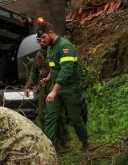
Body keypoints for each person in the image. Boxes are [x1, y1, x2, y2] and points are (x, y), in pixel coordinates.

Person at [37, 22, 89, 151]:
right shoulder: (50, 48)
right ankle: (49, 148)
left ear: (50, 33)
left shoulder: (65, 46)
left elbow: (67, 70)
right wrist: (48, 78)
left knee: (75, 118)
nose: (42, 41)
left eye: (43, 37)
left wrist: (54, 90)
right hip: (56, 88)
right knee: (50, 117)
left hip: (70, 88)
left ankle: (86, 143)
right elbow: (55, 68)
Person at [24, 29, 70, 149]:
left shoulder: (55, 52)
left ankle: (62, 142)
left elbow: (63, 70)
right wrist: (28, 87)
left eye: (43, 40)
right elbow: (34, 73)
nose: (42, 43)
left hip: (54, 86)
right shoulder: (38, 56)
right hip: (43, 88)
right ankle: (48, 142)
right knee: (42, 114)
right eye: (39, 41)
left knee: (57, 116)